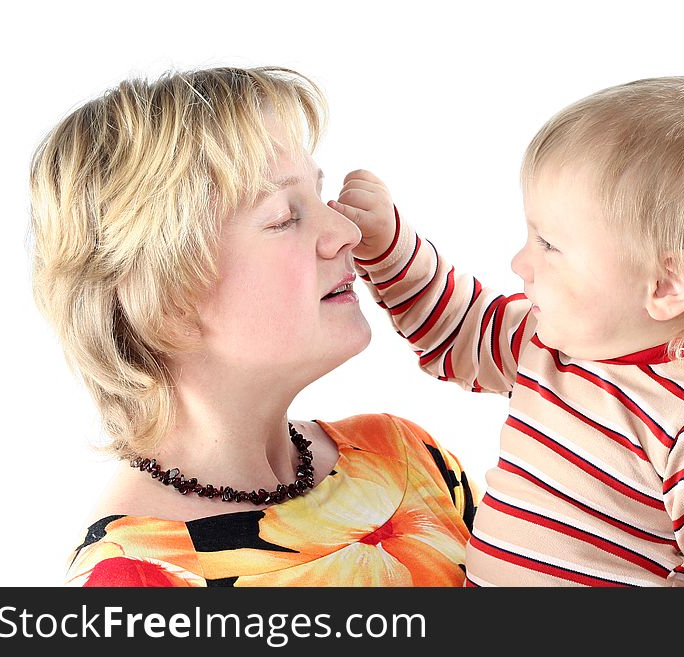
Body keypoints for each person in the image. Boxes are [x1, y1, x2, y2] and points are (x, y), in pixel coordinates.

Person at [331, 77, 684, 587]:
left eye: (550, 245)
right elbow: (456, 327)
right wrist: (387, 247)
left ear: (665, 283)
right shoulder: (546, 344)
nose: (520, 263)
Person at [29, 66, 478, 587]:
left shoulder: (406, 458)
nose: (347, 231)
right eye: (285, 216)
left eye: (320, 194)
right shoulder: (132, 583)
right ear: (165, 293)